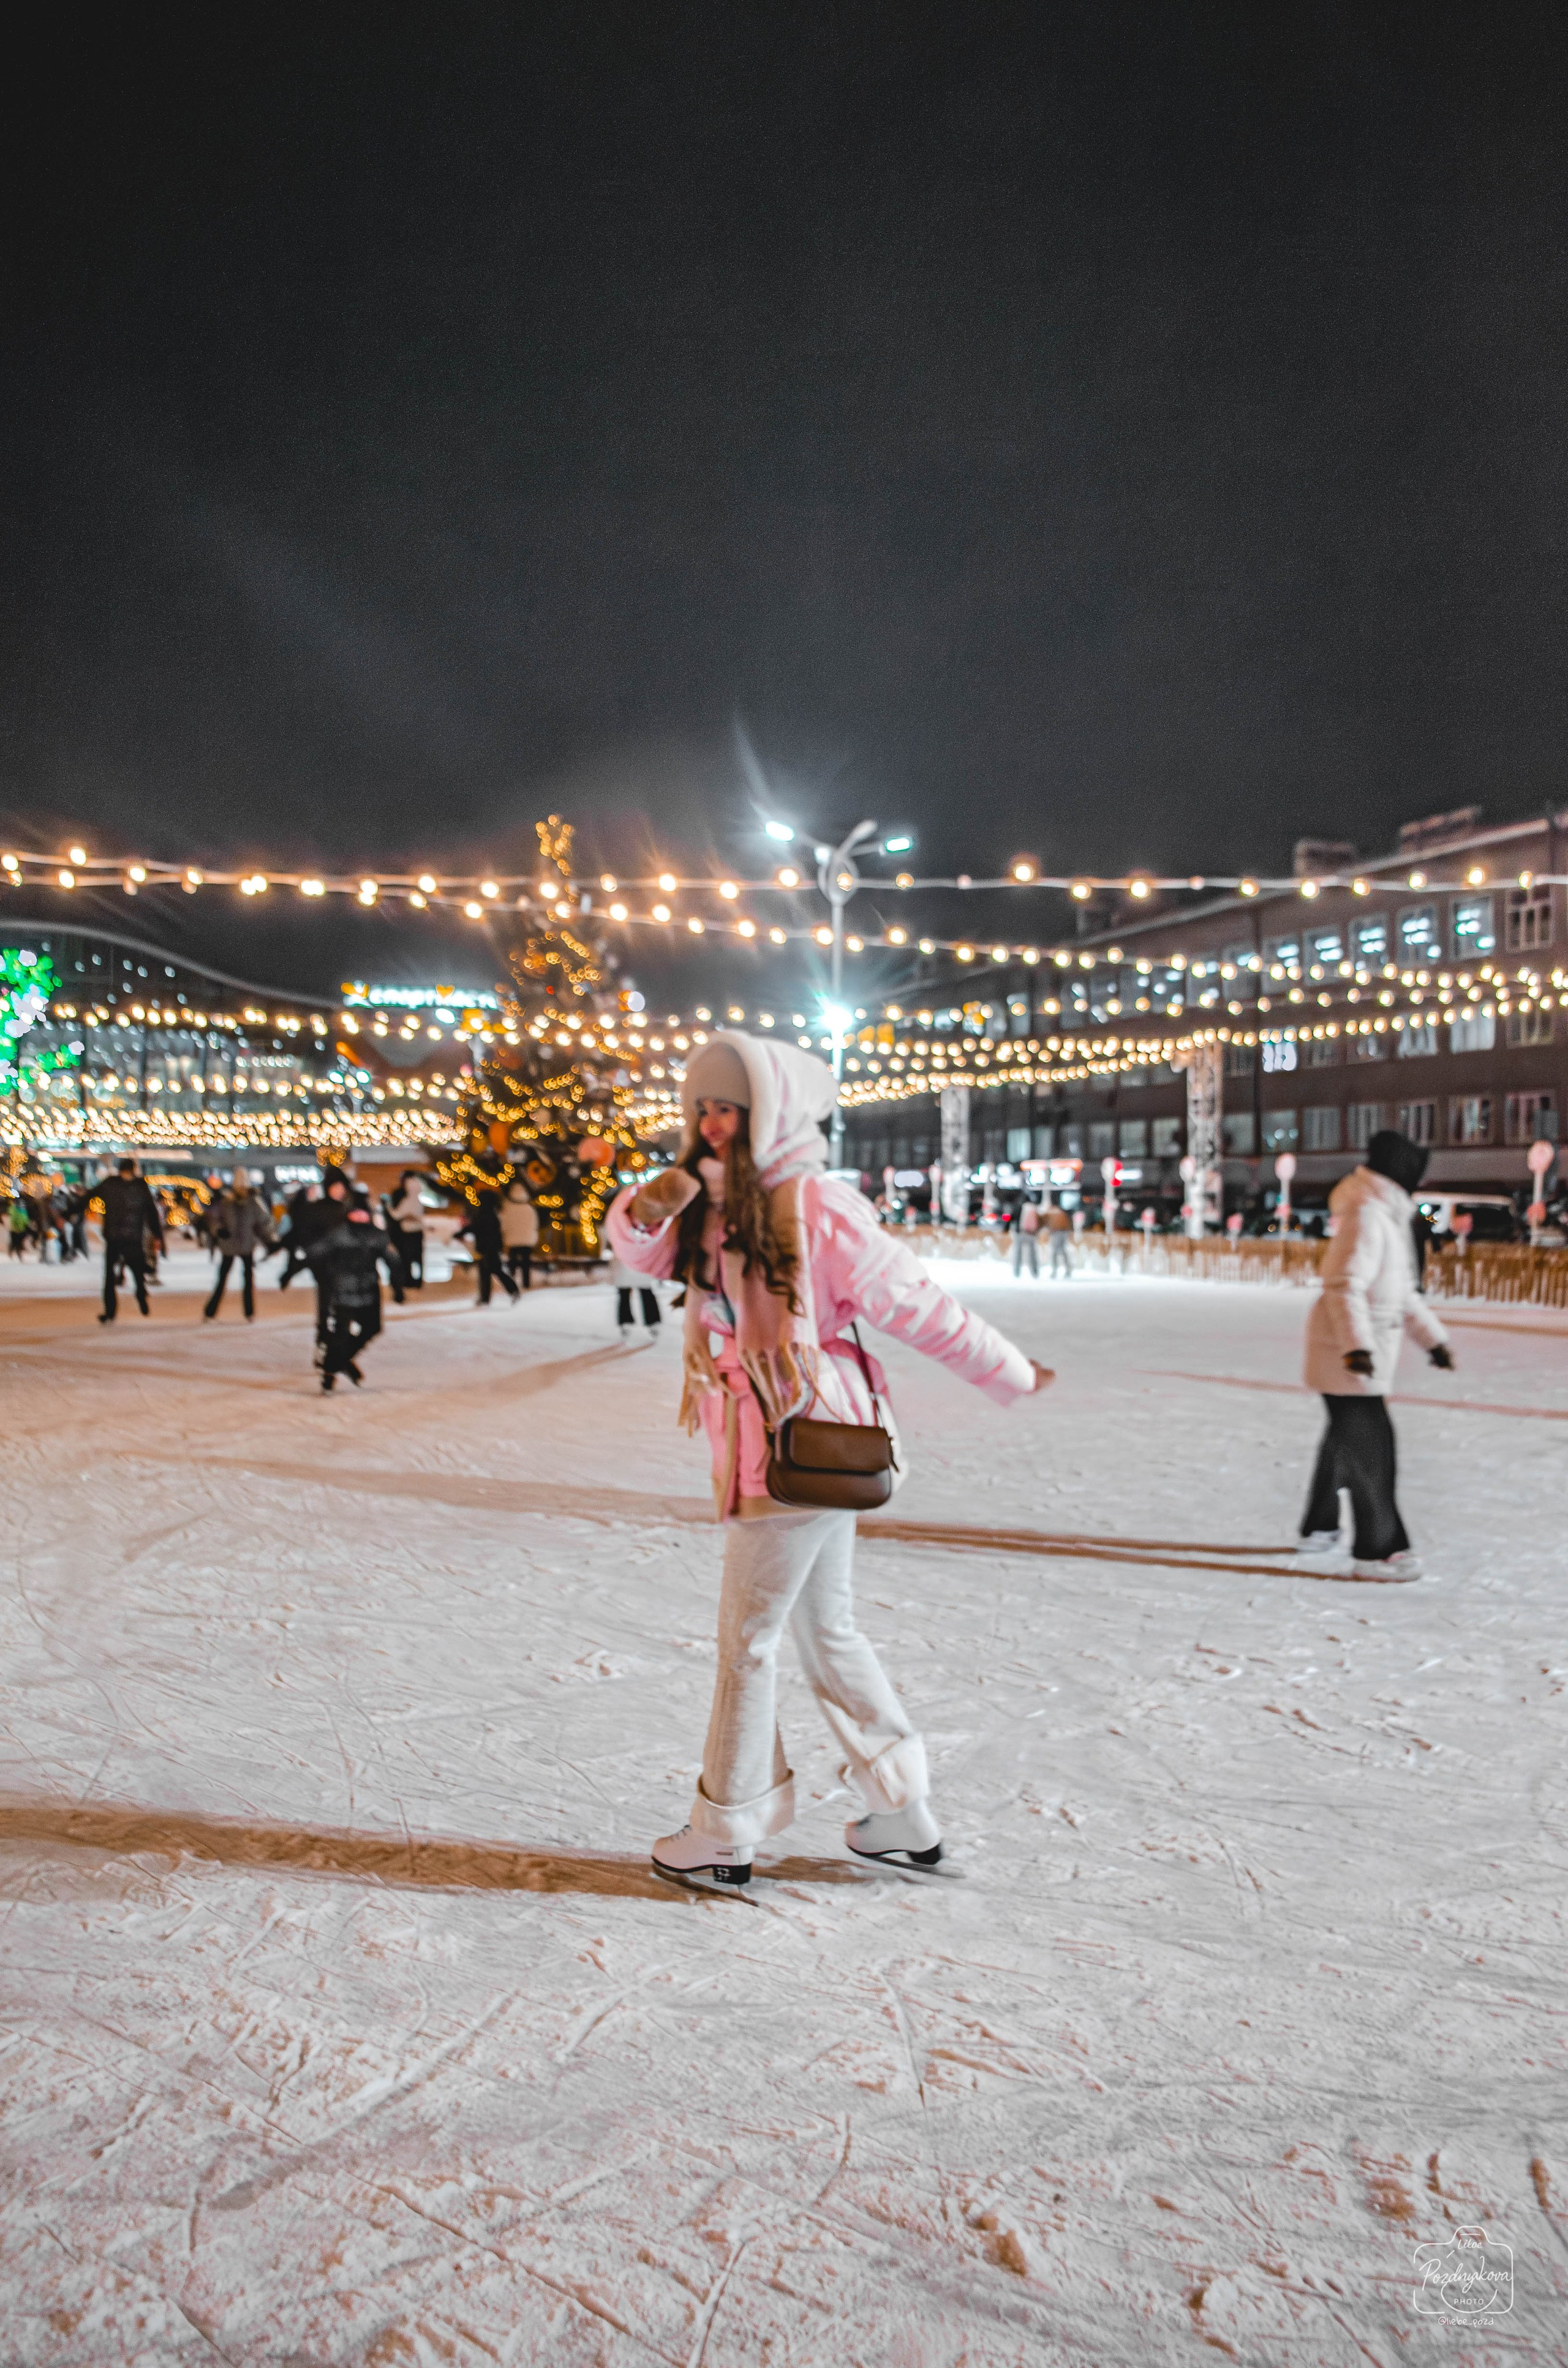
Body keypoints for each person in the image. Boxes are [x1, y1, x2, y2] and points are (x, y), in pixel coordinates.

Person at [607, 1031, 1054, 1889]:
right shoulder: (712, 1200)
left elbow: (915, 1302)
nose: (711, 1122)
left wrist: (1010, 1370)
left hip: (800, 1439)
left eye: (729, 1107)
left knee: (748, 1639)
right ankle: (899, 1810)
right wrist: (648, 1205)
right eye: (701, 1107)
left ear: (771, 1113)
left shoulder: (813, 1205)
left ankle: (724, 1831)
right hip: (775, 1440)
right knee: (825, 1630)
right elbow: (641, 1254)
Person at [1298, 1129, 1454, 1581]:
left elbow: (1400, 1293)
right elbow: (1343, 1284)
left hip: (1359, 1350)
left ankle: (1319, 1527)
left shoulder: (1385, 1214)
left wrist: (1433, 1340)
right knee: (1372, 1447)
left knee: (1346, 1440)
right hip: (1346, 1351)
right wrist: (1356, 1348)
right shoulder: (1368, 1213)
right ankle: (1378, 1548)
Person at [307, 1198, 390, 1390]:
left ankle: (340, 1361)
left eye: (363, 1214)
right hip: (343, 1292)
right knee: (341, 1334)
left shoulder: (376, 1236)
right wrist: (325, 1277)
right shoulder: (338, 1235)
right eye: (356, 1213)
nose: (360, 1217)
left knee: (373, 1327)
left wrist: (400, 1281)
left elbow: (391, 1257)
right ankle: (329, 1375)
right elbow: (316, 1253)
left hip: (368, 1291)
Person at [95, 1157, 165, 1322]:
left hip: (122, 1237)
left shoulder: (118, 1184)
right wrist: (157, 1235)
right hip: (125, 1237)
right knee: (132, 1271)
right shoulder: (134, 1185)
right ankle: (127, 1303)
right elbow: (152, 1211)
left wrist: (157, 1234)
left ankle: (132, 1299)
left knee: (124, 1273)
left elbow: (151, 1211)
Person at [203, 1168, 275, 1322]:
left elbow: (264, 1222)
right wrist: (219, 1230)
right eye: (239, 1183)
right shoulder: (227, 1201)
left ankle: (249, 1312)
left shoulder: (254, 1202)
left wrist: (270, 1240)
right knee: (222, 1279)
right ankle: (210, 1312)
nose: (241, 1187)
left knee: (248, 1279)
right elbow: (214, 1218)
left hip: (247, 1245)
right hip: (229, 1246)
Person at [456, 1182, 518, 1305]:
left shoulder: (485, 1215)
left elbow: (475, 1227)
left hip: (487, 1248)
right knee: (487, 1272)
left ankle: (512, 1290)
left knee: (494, 1271)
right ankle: (486, 1297)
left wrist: (460, 1233)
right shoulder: (492, 1214)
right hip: (490, 1248)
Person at [386, 1169, 428, 1289]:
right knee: (418, 1257)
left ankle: (409, 1280)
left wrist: (388, 1207)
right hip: (417, 1232)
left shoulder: (405, 1199)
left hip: (407, 1232)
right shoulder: (419, 1201)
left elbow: (396, 1215)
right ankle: (417, 1280)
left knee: (407, 1257)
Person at [499, 1176, 539, 1292]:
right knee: (526, 1262)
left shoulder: (508, 1207)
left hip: (513, 1239)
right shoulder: (529, 1207)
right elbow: (534, 1223)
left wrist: (505, 1234)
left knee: (513, 1261)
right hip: (527, 1239)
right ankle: (526, 1283)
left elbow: (504, 1223)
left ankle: (512, 1280)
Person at [1011, 1196, 1041, 1279]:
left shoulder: (1019, 1207)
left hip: (1020, 1233)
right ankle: (1035, 1272)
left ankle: (1017, 1272)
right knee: (1032, 1254)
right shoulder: (1034, 1208)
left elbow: (1012, 1218)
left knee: (1018, 1253)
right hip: (1031, 1234)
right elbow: (1039, 1221)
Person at [1045, 1199, 1074, 1278]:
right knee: (1063, 1251)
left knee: (1054, 1252)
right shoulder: (1062, 1213)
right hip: (1064, 1233)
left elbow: (1047, 1223)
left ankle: (1055, 1270)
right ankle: (1068, 1269)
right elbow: (1068, 1224)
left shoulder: (1051, 1213)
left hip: (1056, 1233)